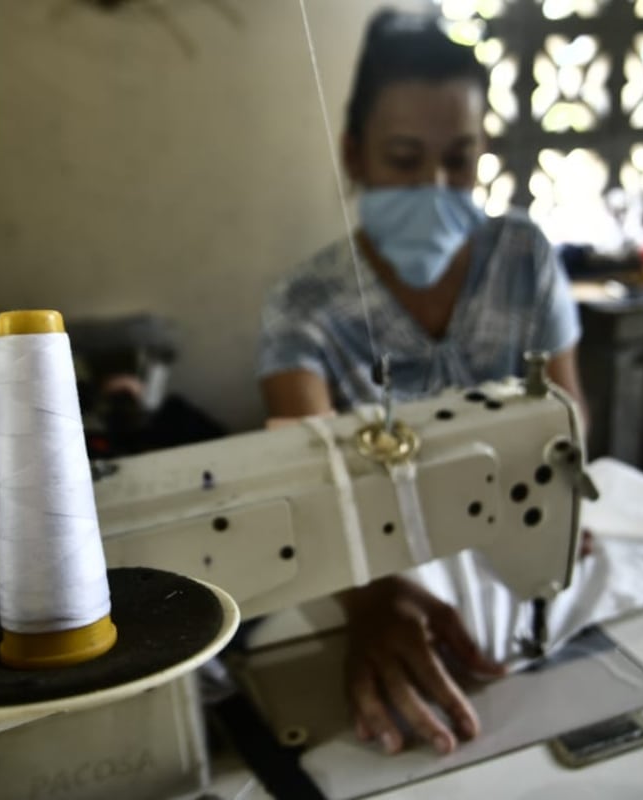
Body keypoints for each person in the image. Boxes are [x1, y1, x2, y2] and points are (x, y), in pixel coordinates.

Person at [256, 10, 589, 757]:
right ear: (354, 156)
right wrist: (371, 601)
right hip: (375, 569)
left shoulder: (524, 258)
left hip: (506, 552)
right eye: (404, 159)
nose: (435, 186)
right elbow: (303, 478)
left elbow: (567, 416)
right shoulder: (304, 306)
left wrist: (554, 504)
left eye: (459, 159)